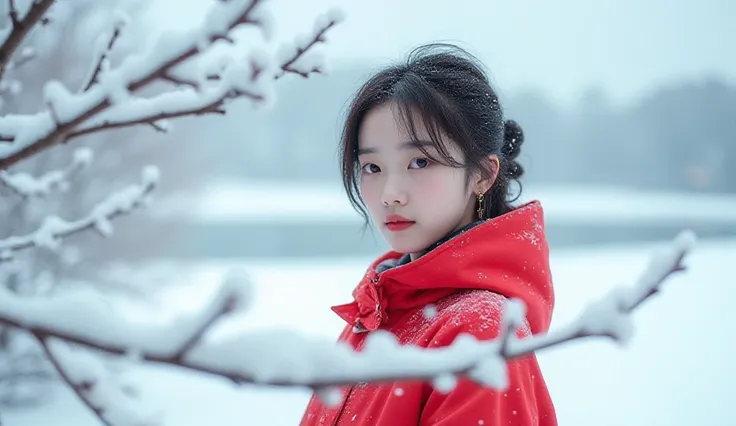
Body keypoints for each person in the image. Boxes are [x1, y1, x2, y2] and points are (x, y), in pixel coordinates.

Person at [299, 43, 557, 426]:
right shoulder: (377, 309)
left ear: (483, 174)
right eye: (371, 167)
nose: (390, 194)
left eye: (419, 162)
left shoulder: (477, 331)